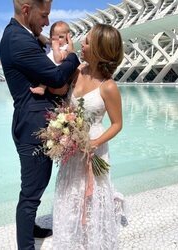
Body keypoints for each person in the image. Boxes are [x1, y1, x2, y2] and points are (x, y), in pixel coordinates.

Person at [0, 0, 80, 249]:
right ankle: (26, 246)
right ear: (26, 10)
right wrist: (74, 56)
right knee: (31, 193)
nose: (46, 22)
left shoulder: (21, 34)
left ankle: (31, 228)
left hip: (34, 121)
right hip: (32, 127)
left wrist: (44, 38)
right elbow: (56, 75)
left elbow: (41, 50)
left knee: (37, 184)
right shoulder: (18, 40)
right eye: (44, 16)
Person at [53, 23, 124, 249]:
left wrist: (94, 142)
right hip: (73, 148)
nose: (81, 45)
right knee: (70, 194)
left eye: (86, 41)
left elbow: (117, 124)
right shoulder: (77, 72)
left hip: (95, 150)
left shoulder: (109, 87)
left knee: (93, 199)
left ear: (99, 48)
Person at [30, 21, 71, 95]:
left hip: (55, 71)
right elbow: (44, 40)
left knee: (47, 77)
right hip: (46, 68)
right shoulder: (51, 44)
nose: (57, 40)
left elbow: (58, 59)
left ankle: (42, 88)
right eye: (54, 37)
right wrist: (38, 34)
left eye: (61, 37)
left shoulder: (65, 48)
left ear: (67, 38)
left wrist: (56, 48)